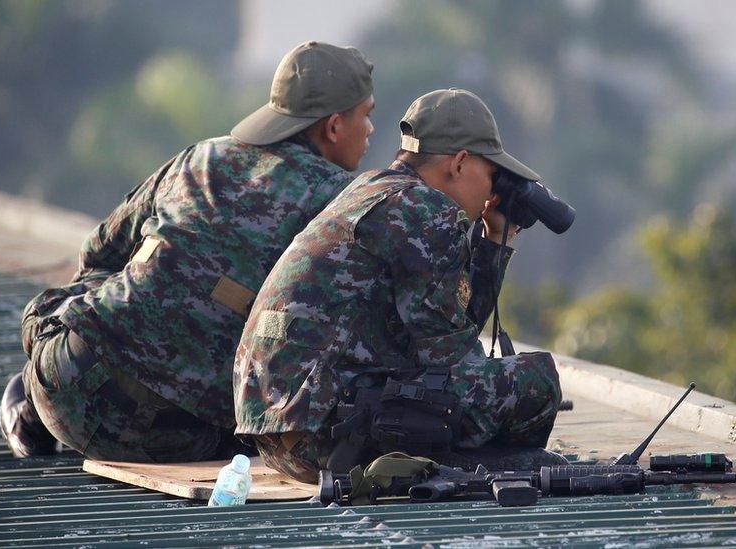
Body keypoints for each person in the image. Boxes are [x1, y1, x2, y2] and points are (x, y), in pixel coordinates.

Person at [0, 41, 375, 463]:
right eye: (367, 115)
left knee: (93, 288)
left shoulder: (201, 157)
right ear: (335, 127)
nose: (371, 130)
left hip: (64, 386)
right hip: (182, 432)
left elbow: (100, 251)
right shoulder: (344, 203)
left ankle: (27, 407)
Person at [233, 88, 562, 483]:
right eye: (491, 175)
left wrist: (495, 240)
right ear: (459, 163)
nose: (491, 193)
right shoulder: (427, 211)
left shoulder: (369, 189)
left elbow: (444, 327)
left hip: (280, 437)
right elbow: (452, 354)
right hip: (330, 437)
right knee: (536, 381)